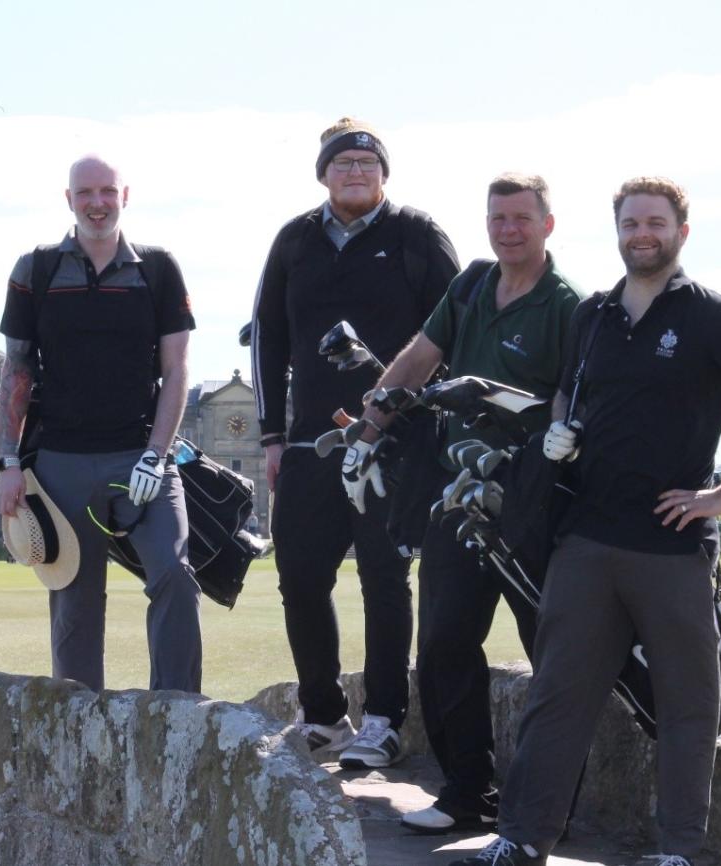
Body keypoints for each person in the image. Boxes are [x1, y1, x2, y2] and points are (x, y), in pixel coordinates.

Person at [453, 177, 721, 866]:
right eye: (631, 221)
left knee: (685, 706)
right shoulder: (594, 315)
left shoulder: (710, 315)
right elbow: (564, 394)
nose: (643, 232)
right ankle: (522, 840)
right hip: (585, 538)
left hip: (672, 545)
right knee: (557, 696)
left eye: (656, 222)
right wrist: (558, 432)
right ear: (617, 230)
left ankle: (677, 851)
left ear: (681, 233)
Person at [348, 173, 582, 832]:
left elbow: (569, 400)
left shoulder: (570, 307)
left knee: (553, 653)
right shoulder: (473, 286)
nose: (508, 229)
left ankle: (548, 810)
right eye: (498, 218)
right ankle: (467, 792)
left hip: (533, 505)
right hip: (459, 499)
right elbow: (419, 358)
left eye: (521, 218)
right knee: (446, 642)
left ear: (547, 224)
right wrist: (367, 434)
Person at [251, 117, 459, 767]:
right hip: (314, 442)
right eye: (343, 164)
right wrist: (272, 437)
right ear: (323, 173)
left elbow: (455, 328)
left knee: (384, 579)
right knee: (300, 578)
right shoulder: (294, 241)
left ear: (385, 174)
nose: (356, 173)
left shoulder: (417, 235)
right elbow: (267, 338)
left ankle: (384, 719)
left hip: (396, 443)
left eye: (368, 165)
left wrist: (433, 424)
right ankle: (324, 717)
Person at [0, 154, 201, 695]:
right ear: (68, 199)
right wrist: (10, 463)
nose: (97, 203)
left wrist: (158, 454)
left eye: (107, 191)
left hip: (143, 458)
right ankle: (81, 727)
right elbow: (16, 369)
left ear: (124, 196)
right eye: (85, 192)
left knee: (175, 578)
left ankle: (176, 714)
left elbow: (177, 369)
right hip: (62, 463)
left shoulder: (158, 269)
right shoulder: (34, 270)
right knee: (75, 604)